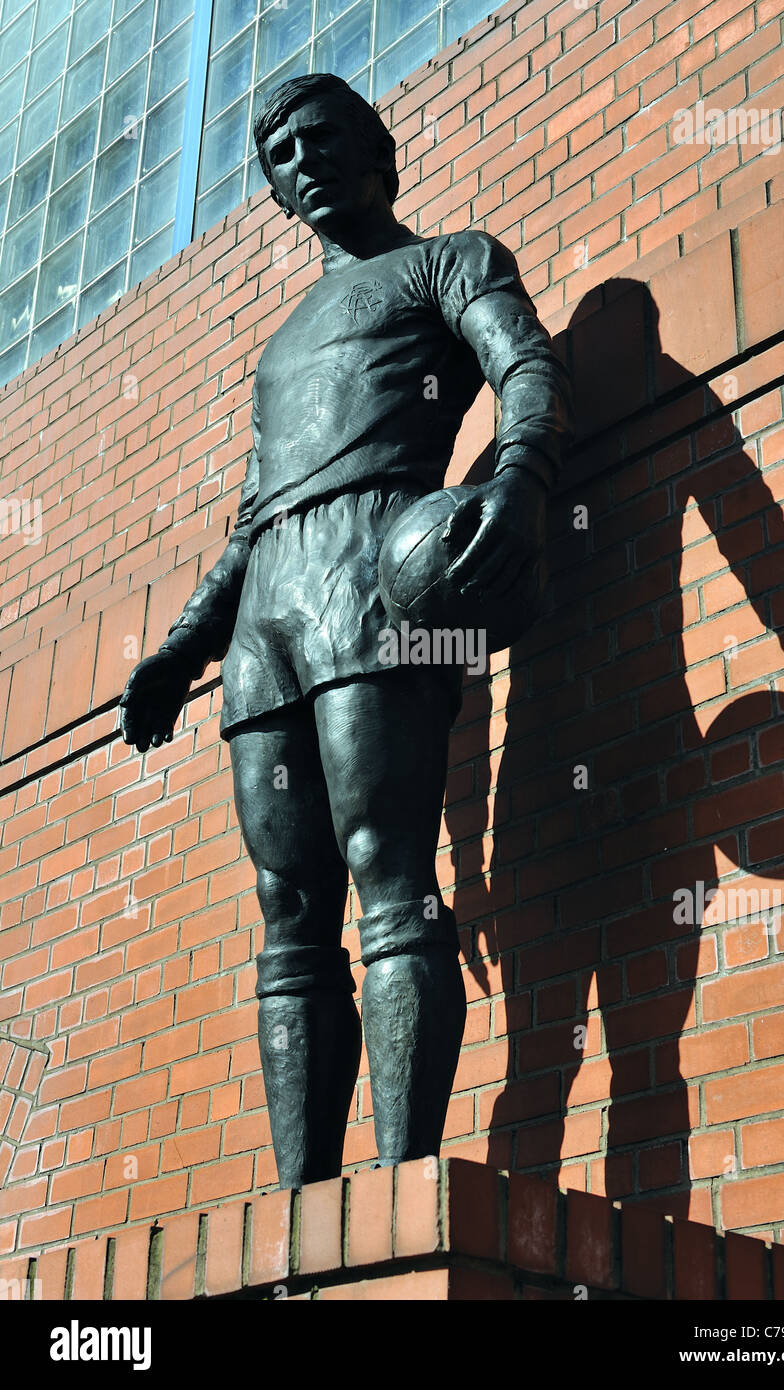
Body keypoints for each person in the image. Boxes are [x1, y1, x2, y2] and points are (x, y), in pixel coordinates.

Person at [118, 72, 572, 1187]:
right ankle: (303, 1213)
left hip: (375, 576)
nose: (301, 162)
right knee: (287, 908)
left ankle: (402, 1187)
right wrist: (184, 646)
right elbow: (252, 514)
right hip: (270, 606)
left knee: (388, 868)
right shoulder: (279, 347)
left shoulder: (448, 260)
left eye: (322, 139)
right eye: (277, 155)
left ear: (379, 148)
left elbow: (529, 365)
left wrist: (519, 475)